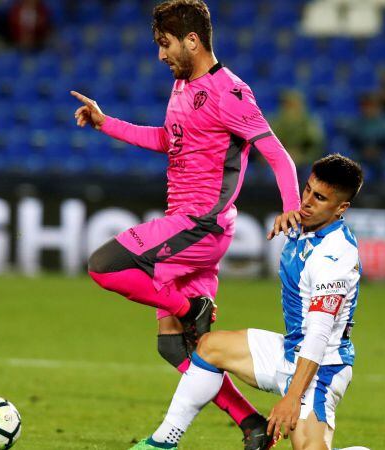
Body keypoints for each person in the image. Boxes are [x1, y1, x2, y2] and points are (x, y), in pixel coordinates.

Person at [71, 1, 301, 448]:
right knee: (178, 348)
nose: (160, 55)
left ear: (192, 40)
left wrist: (290, 206)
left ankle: (185, 308)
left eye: (165, 44)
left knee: (104, 265)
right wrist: (105, 123)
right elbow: (168, 139)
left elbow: (277, 153)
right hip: (191, 225)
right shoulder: (182, 85)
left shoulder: (229, 92)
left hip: (200, 225)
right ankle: (253, 425)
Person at [130, 154, 364, 450]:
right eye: (307, 190)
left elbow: (318, 334)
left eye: (319, 198)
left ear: (341, 208)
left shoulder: (336, 257)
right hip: (289, 351)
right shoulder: (304, 224)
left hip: (321, 368)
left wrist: (291, 397)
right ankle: (162, 442)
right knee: (210, 347)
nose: (306, 202)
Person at [347, 93, 385, 180]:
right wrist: (363, 152)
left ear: (378, 107)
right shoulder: (356, 123)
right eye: (365, 106)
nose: (368, 109)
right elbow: (351, 143)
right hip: (362, 157)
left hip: (384, 157)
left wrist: (379, 152)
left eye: (371, 106)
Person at [269, 90, 326, 170]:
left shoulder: (309, 123)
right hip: (280, 159)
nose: (288, 109)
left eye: (292, 105)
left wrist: (302, 157)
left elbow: (315, 146)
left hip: (304, 163)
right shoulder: (277, 122)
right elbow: (269, 144)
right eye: (286, 106)